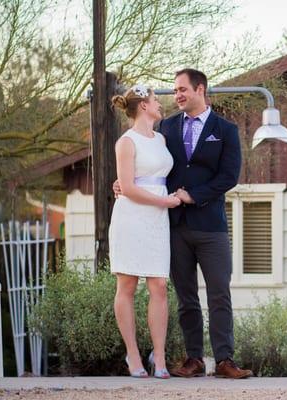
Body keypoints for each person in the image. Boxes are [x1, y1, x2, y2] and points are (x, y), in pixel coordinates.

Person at [114, 69, 252, 379]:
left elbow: (228, 177)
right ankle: (193, 359)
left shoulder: (225, 130)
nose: (176, 95)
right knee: (185, 296)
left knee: (219, 293)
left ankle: (225, 360)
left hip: (211, 225)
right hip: (172, 226)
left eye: (182, 89)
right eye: (175, 91)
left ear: (200, 89)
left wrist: (192, 196)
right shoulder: (165, 128)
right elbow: (146, 163)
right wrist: (122, 183)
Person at [109, 85, 181, 379]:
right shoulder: (126, 142)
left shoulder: (161, 138)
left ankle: (159, 356)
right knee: (127, 285)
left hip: (157, 221)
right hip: (132, 217)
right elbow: (127, 187)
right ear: (143, 106)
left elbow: (157, 175)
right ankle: (133, 355)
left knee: (159, 286)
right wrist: (163, 200)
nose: (159, 105)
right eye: (155, 101)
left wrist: (166, 199)